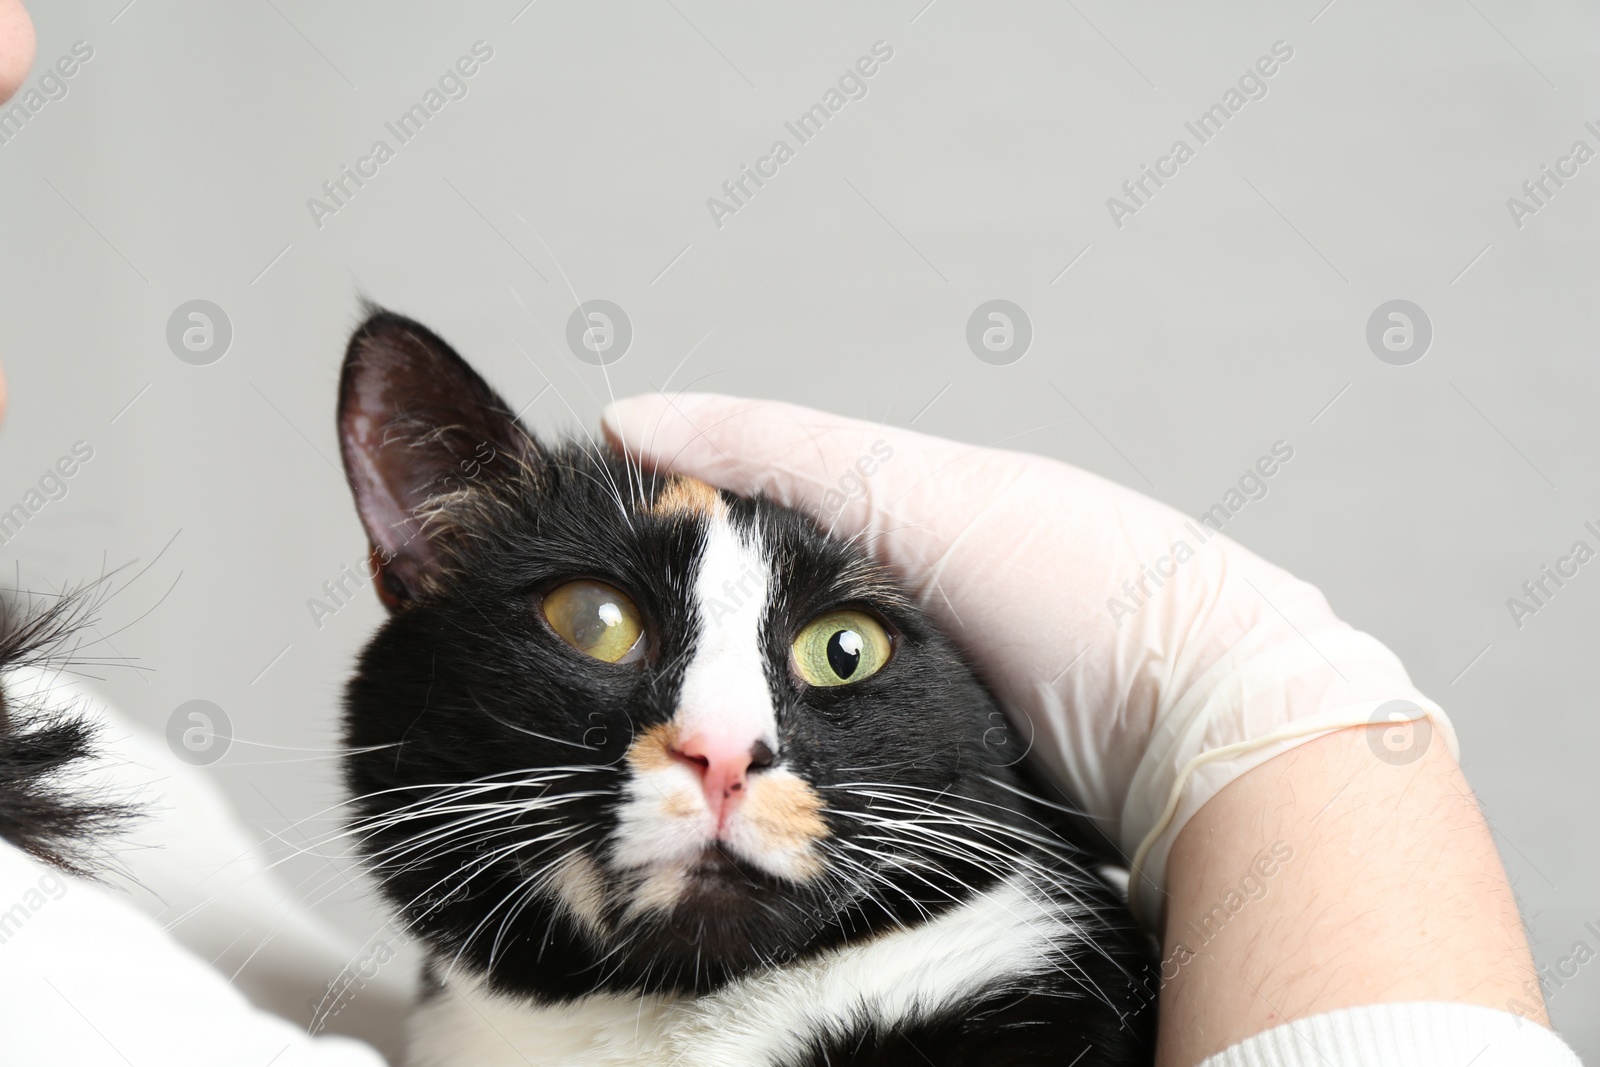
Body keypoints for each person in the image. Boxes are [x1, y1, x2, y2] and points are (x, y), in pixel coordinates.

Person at [0, 4, 1583, 1062]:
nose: (725, 742)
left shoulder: (75, 757)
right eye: (600, 624)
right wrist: (1302, 749)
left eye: (840, 648)